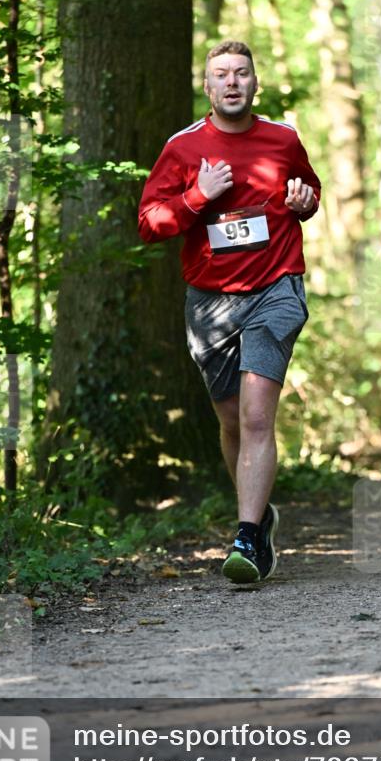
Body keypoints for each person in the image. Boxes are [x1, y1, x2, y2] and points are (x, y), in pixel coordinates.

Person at [138, 40, 320, 584]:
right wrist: (197, 196)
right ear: (208, 87)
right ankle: (259, 520)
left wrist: (304, 202)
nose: (233, 82)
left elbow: (309, 191)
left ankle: (244, 537)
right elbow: (149, 223)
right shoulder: (183, 147)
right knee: (232, 421)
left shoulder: (282, 139)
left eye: (242, 73)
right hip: (211, 303)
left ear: (255, 84)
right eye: (222, 74)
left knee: (258, 416)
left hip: (275, 289)